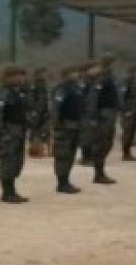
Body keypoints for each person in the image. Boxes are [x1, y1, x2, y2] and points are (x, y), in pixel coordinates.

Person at [0, 65, 30, 203]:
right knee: (8, 161)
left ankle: (12, 190)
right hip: (8, 131)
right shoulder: (3, 93)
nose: (21, 78)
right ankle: (7, 192)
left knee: (16, 161)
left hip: (18, 131)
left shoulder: (17, 92)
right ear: (8, 77)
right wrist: (2, 132)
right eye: (17, 75)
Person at [51, 64, 83, 194]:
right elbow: (55, 109)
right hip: (64, 126)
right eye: (73, 72)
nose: (76, 74)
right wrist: (58, 126)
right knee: (63, 155)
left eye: (76, 72)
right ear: (66, 74)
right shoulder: (61, 89)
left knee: (70, 154)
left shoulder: (76, 88)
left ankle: (66, 180)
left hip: (75, 125)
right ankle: (62, 183)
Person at [89, 54, 119, 184]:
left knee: (108, 143)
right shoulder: (100, 78)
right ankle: (99, 174)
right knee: (101, 143)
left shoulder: (109, 76)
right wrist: (94, 116)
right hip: (103, 114)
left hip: (110, 112)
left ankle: (100, 172)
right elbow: (94, 98)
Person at [120, 65, 136, 161]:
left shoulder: (134, 81)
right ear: (131, 72)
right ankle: (125, 153)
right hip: (128, 109)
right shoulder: (126, 81)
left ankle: (128, 152)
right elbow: (122, 96)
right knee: (128, 131)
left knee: (132, 131)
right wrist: (125, 110)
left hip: (135, 108)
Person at [26, 67, 51, 153]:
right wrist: (33, 110)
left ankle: (48, 149)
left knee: (46, 130)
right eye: (42, 73)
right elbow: (30, 99)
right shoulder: (33, 85)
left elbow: (47, 99)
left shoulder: (45, 85)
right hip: (36, 112)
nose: (44, 75)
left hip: (45, 111)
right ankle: (36, 149)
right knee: (35, 131)